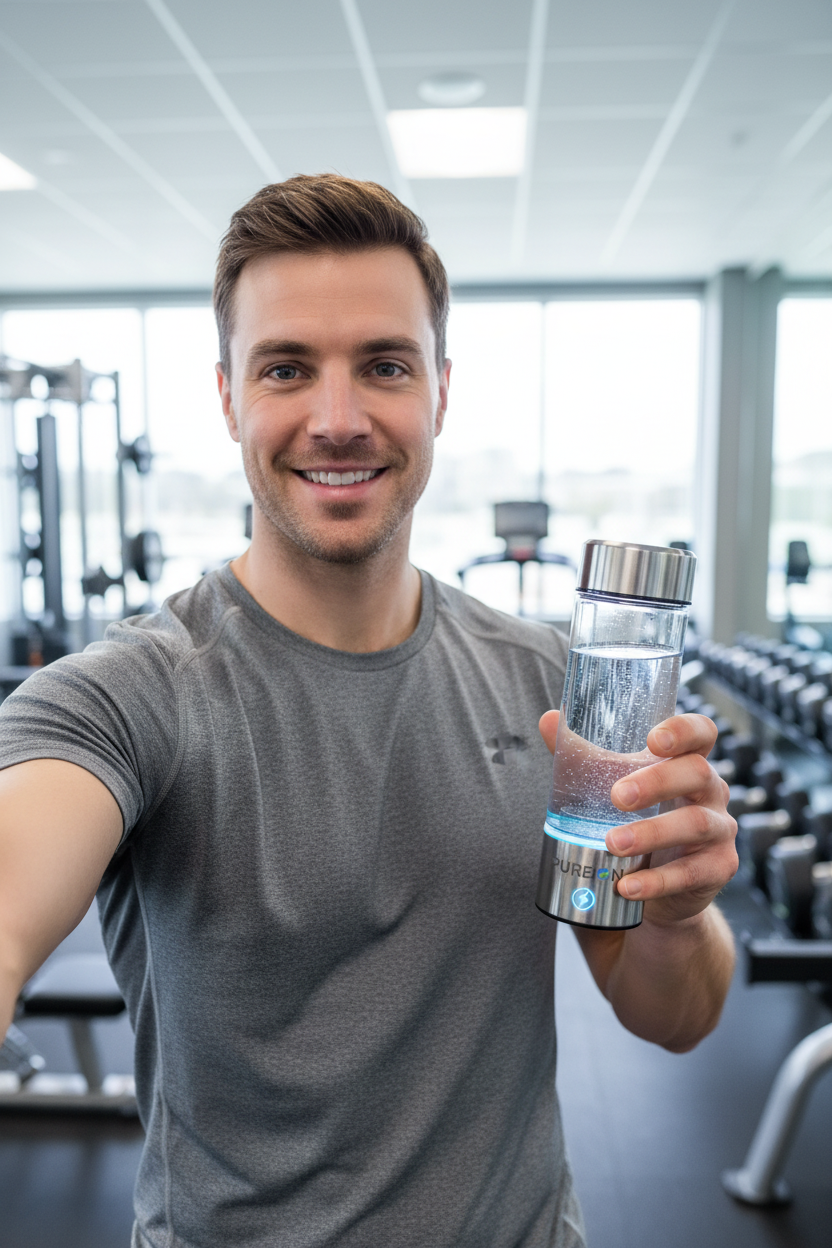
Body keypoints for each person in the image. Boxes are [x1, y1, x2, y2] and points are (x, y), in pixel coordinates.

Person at [0, 175, 738, 1248]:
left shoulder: (551, 687)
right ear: (226, 399)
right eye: (287, 368)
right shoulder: (131, 693)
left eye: (384, 366)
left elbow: (673, 1014)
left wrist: (675, 910)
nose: (337, 421)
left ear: (440, 390)